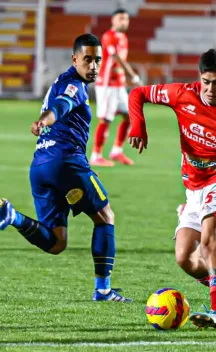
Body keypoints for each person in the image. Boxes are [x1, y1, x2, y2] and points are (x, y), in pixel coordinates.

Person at [128, 49, 216, 331]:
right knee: (184, 258)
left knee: (209, 246)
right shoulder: (184, 94)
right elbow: (138, 93)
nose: (209, 89)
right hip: (194, 189)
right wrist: (138, 124)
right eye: (205, 81)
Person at [0, 34, 130, 302]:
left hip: (40, 165)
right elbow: (61, 107)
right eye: (88, 60)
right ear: (75, 59)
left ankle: (13, 217)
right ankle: (103, 290)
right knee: (105, 216)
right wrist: (43, 121)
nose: (93, 66)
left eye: (98, 60)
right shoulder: (75, 86)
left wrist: (44, 122)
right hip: (66, 162)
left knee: (57, 242)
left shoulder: (61, 82)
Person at [90, 8, 142, 167]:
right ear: (113, 20)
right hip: (107, 85)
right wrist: (133, 76)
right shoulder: (108, 36)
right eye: (120, 19)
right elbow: (117, 58)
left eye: (126, 19)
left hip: (119, 85)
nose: (124, 22)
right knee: (105, 119)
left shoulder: (123, 37)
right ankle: (96, 155)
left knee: (130, 116)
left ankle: (117, 151)